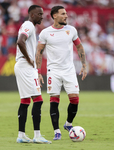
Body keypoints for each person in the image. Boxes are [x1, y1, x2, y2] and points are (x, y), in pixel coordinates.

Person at [36, 5, 87, 140]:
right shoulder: (45, 33)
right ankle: (56, 131)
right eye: (63, 14)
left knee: (75, 99)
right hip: (53, 71)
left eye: (66, 13)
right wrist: (38, 71)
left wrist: (84, 65)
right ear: (54, 16)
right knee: (54, 101)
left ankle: (68, 124)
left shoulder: (71, 30)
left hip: (69, 70)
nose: (66, 16)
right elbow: (39, 52)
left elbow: (79, 46)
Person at [14, 5, 51, 144]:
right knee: (38, 100)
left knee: (25, 101)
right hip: (25, 66)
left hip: (24, 66)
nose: (42, 16)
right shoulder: (28, 25)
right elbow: (20, 41)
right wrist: (30, 60)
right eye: (40, 14)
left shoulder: (29, 26)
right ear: (32, 14)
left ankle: (21, 135)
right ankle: (37, 135)